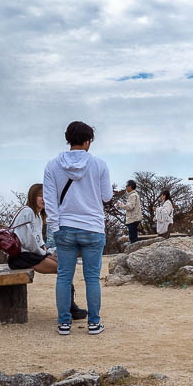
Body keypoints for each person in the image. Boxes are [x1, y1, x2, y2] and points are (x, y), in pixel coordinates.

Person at [43, 121, 112, 336]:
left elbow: (49, 200)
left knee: (64, 276)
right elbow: (107, 196)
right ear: (87, 141)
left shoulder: (52, 165)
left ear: (68, 140)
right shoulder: (99, 165)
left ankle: (64, 324)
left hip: (64, 226)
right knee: (92, 277)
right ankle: (94, 323)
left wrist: (55, 226)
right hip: (92, 226)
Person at [8, 183, 87, 320]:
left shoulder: (38, 215)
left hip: (31, 254)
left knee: (65, 264)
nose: (43, 199)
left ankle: (70, 305)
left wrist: (47, 250)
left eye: (46, 196)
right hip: (21, 256)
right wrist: (44, 252)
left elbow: (38, 240)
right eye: (40, 196)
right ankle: (69, 308)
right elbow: (28, 241)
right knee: (63, 269)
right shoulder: (27, 212)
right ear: (33, 196)